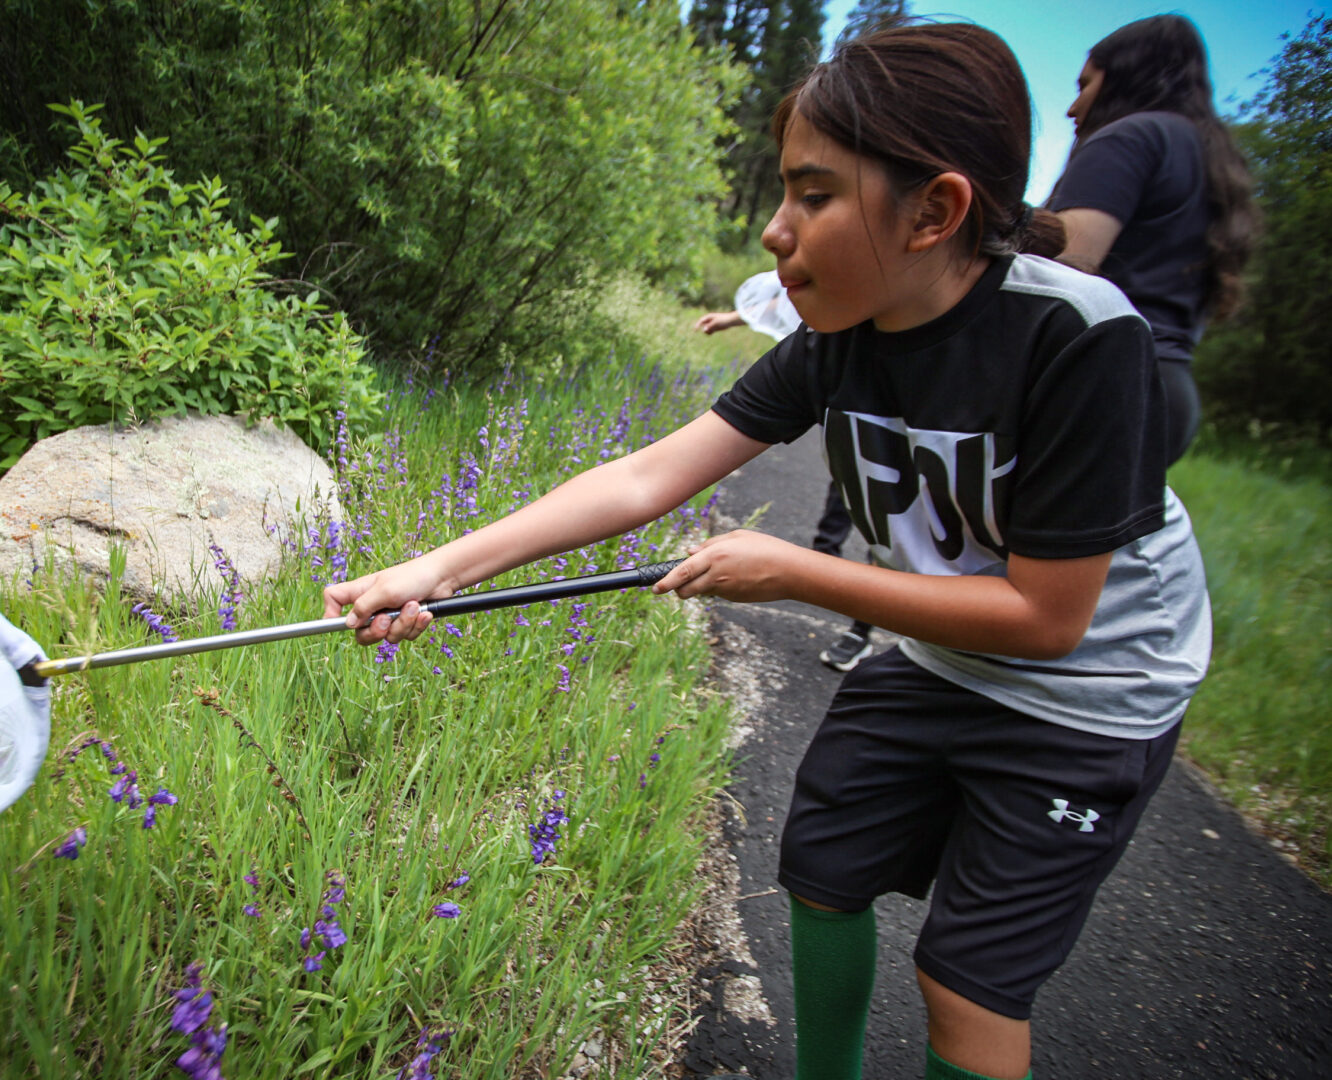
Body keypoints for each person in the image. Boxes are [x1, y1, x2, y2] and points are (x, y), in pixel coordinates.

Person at [324, 22, 1208, 1080]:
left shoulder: (1078, 337)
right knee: (823, 867)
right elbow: (645, 477)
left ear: (935, 210)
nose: (776, 232)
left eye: (815, 195)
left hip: (1091, 696)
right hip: (942, 658)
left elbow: (1049, 621)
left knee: (966, 979)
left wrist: (790, 570)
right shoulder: (836, 342)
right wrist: (439, 567)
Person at [1047, 14, 1258, 464]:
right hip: (1170, 392)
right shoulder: (1210, 159)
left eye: (1084, 85)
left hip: (1100, 389)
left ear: (1124, 78)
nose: (1073, 107)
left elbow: (1060, 277)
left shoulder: (1130, 136)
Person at [696, 274, 877, 671]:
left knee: (894, 540)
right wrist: (733, 317)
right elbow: (800, 294)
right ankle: (829, 568)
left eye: (814, 205)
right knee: (844, 502)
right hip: (859, 452)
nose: (773, 232)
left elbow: (1037, 618)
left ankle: (859, 628)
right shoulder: (823, 341)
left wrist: (796, 574)